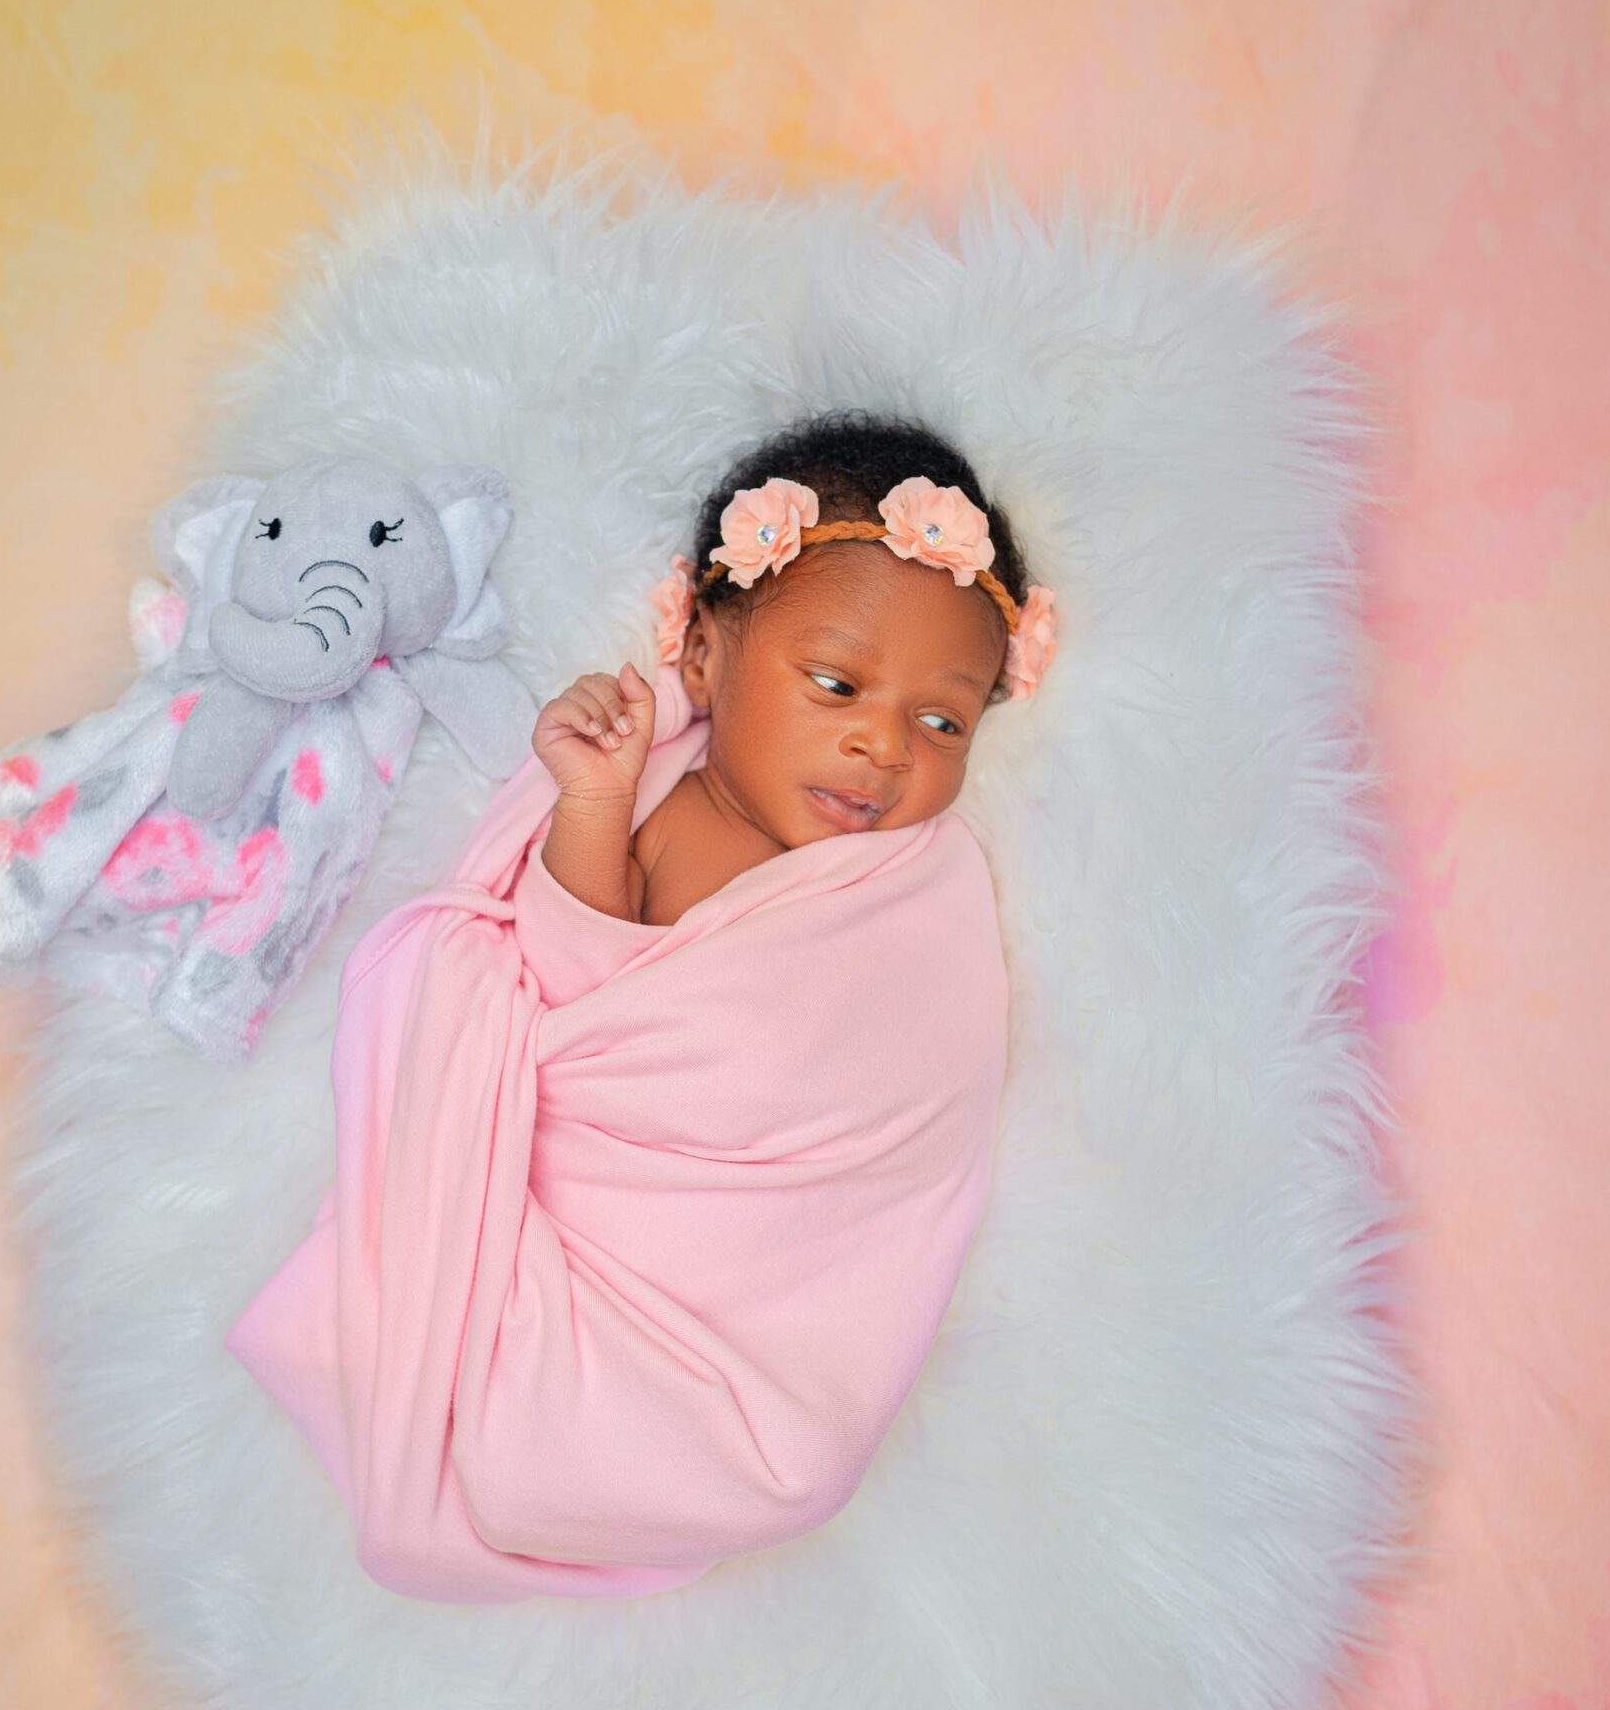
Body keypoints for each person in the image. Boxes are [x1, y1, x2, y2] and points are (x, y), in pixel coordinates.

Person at [224, 409, 1060, 1604]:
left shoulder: (916, 891)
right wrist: (593, 800)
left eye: (943, 722)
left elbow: (914, 1081)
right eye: (836, 684)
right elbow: (563, 984)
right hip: (605, 1239)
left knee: (794, 1463)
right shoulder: (664, 800)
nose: (883, 745)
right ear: (708, 657)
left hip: (767, 1302)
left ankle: (652, 1435)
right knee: (448, 1340)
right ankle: (529, 1408)